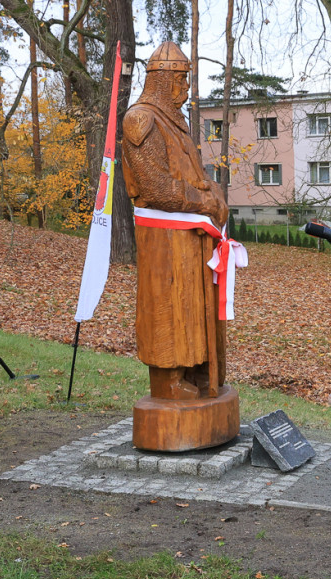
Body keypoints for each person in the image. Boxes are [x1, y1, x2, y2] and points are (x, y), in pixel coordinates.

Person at [121, 41, 231, 401]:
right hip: (164, 245)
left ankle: (198, 370)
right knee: (168, 309)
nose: (186, 87)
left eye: (187, 79)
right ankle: (167, 380)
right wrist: (204, 200)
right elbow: (155, 187)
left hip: (192, 241)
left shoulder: (176, 124)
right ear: (163, 79)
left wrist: (212, 192)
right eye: (181, 79)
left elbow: (191, 174)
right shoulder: (142, 119)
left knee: (192, 311)